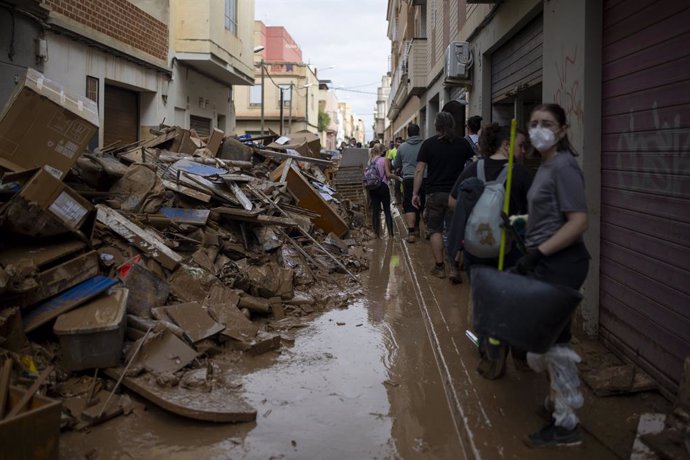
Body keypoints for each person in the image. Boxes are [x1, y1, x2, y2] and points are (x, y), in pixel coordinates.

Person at [516, 103, 590, 448]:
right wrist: (520, 226)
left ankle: (566, 424)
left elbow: (578, 221)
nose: (538, 129)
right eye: (533, 124)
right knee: (547, 341)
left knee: (553, 343)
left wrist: (539, 252)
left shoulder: (563, 166)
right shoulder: (545, 166)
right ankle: (558, 402)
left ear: (561, 130)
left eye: (546, 123)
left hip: (562, 263)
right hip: (546, 261)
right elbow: (548, 216)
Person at [448, 123, 533, 379]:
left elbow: (453, 201)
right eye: (520, 145)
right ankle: (516, 348)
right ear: (506, 145)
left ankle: (491, 352)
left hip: (477, 250)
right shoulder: (520, 174)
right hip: (511, 251)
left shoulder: (475, 168)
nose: (523, 151)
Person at [412, 112, 473, 281]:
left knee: (435, 230)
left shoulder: (428, 145)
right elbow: (473, 165)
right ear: (453, 124)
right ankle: (454, 266)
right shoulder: (463, 143)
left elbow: (419, 170)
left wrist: (415, 193)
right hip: (457, 195)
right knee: (455, 230)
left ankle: (440, 267)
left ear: (436, 126)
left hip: (435, 194)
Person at [393, 124, 425, 243]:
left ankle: (412, 233)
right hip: (424, 178)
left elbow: (396, 164)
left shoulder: (402, 147)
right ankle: (425, 230)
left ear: (408, 134)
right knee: (423, 204)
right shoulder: (425, 144)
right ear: (419, 132)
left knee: (410, 204)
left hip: (409, 179)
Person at [367, 144, 396, 238]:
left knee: (375, 211)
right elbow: (388, 174)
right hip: (383, 186)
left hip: (372, 187)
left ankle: (376, 233)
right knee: (387, 210)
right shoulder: (384, 160)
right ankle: (391, 234)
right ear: (382, 151)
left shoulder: (370, 161)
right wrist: (397, 177)